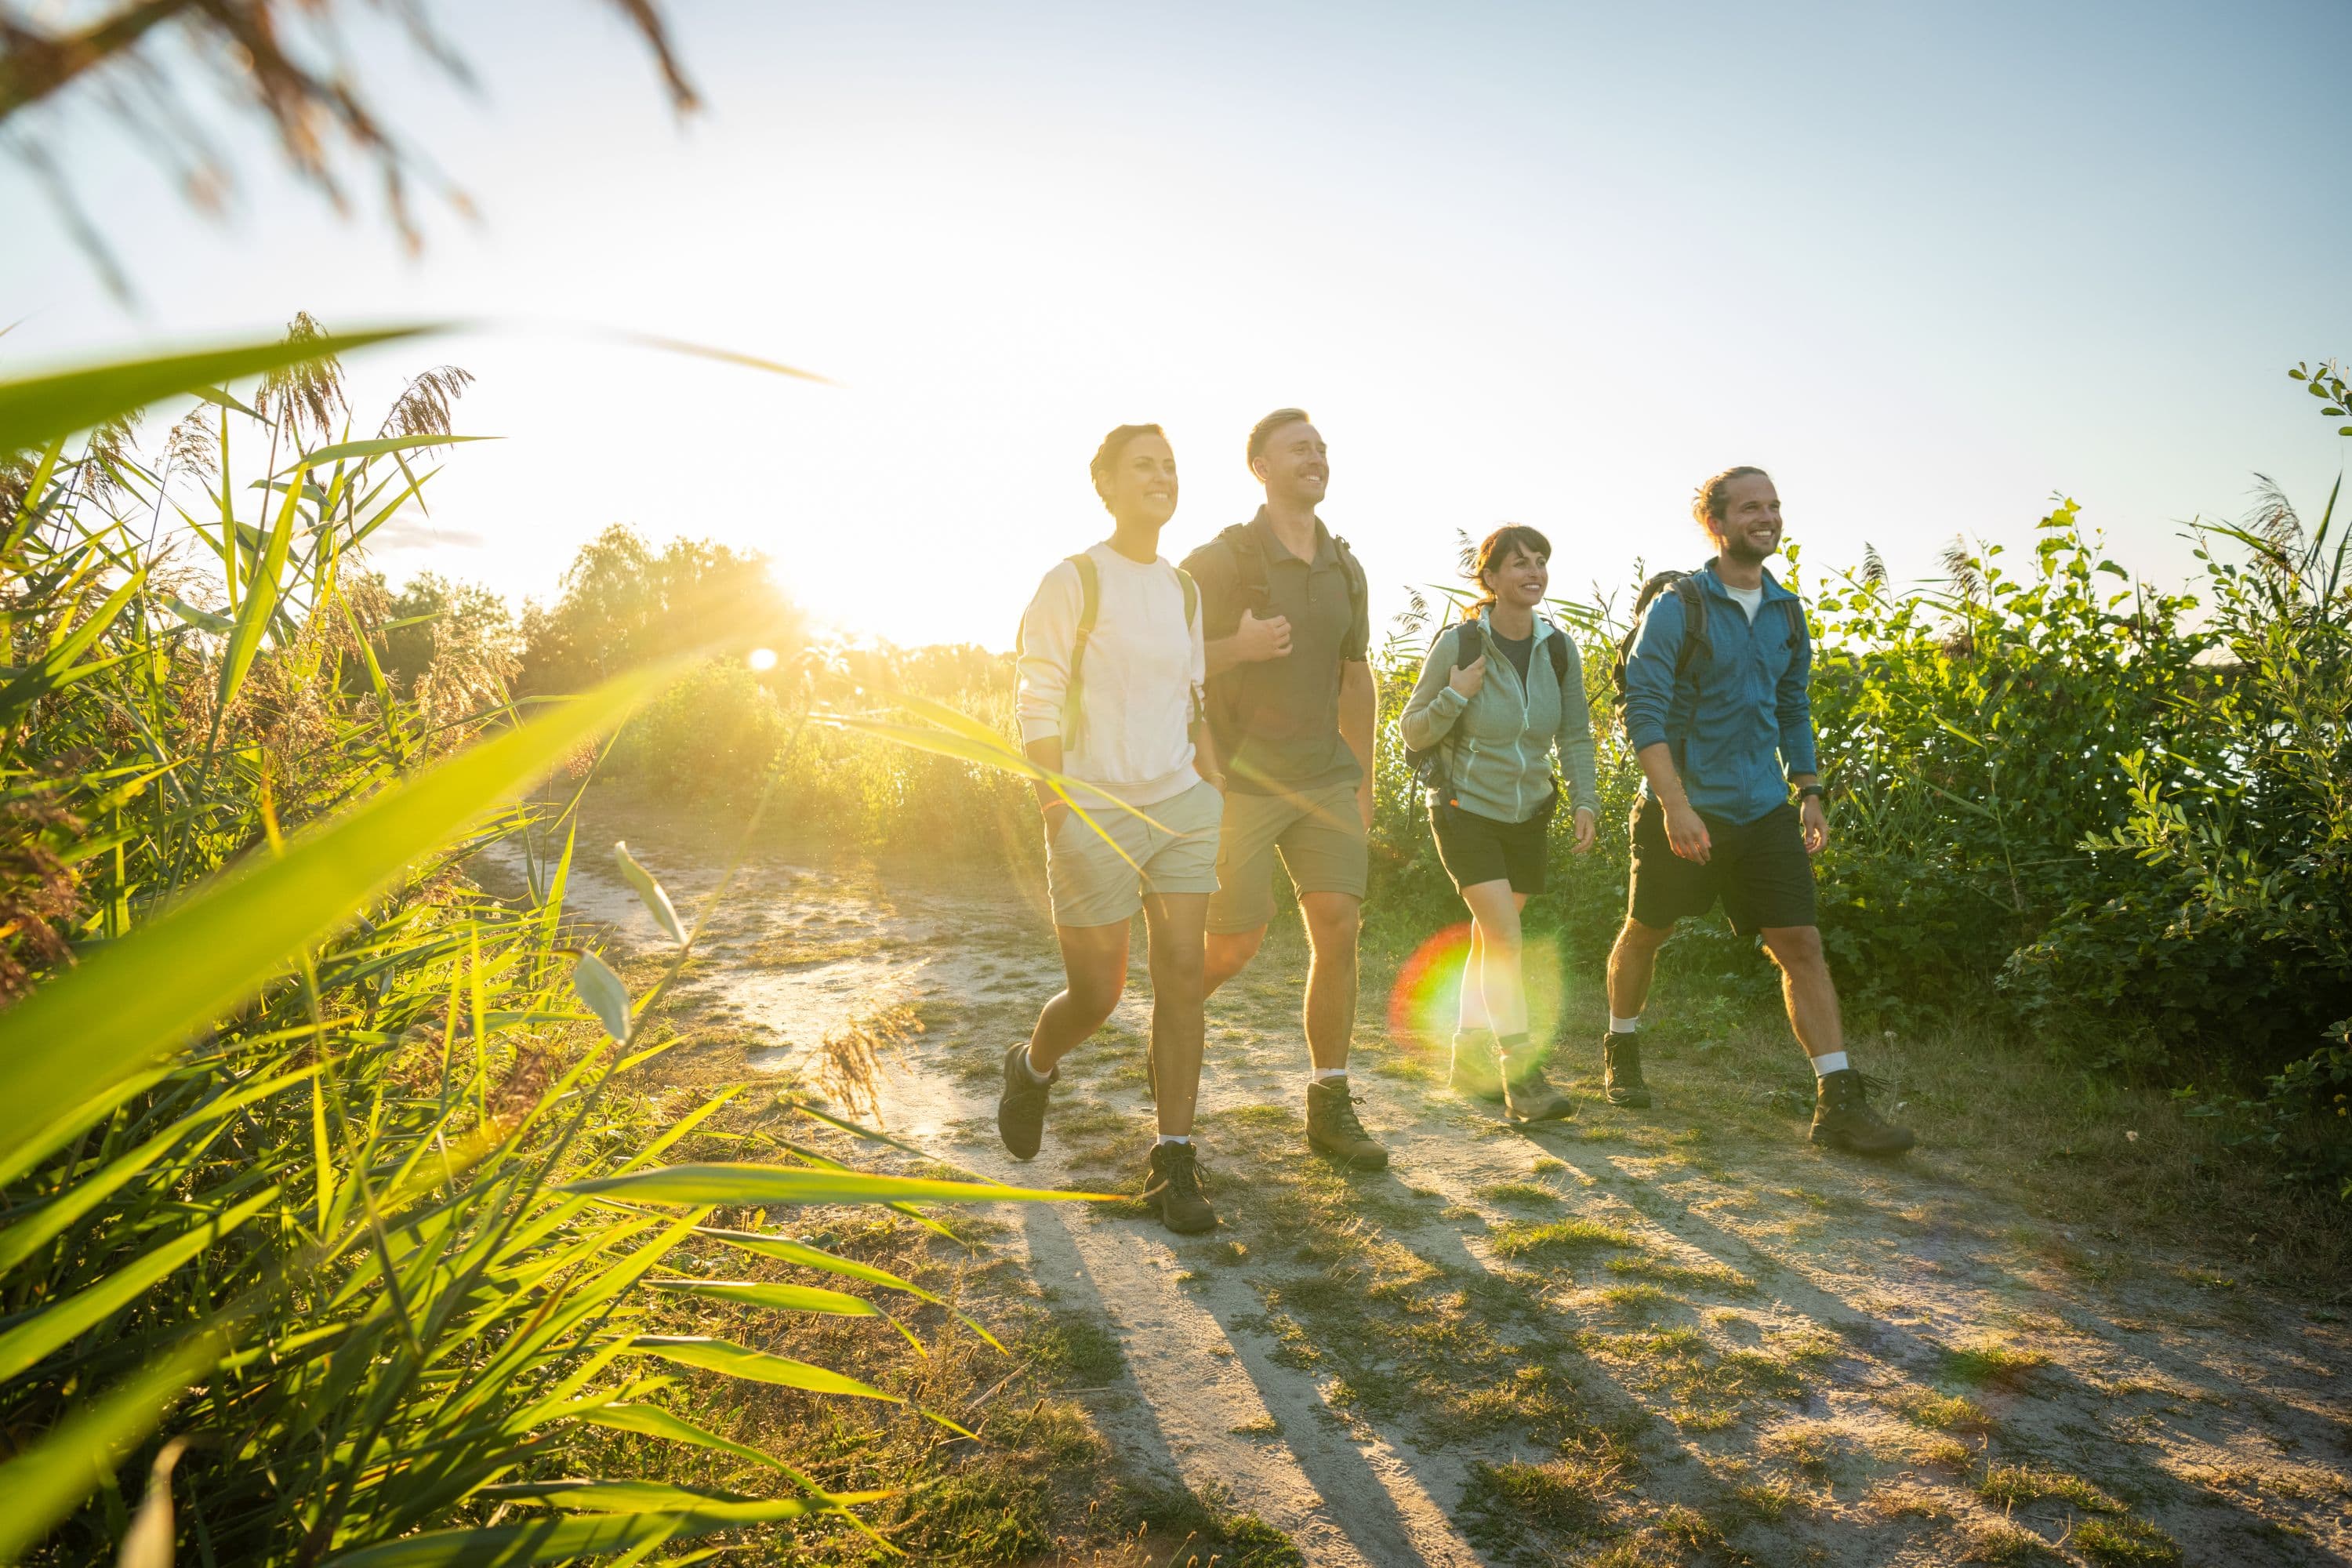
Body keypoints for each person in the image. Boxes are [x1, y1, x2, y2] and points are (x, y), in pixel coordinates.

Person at [1604, 466, 1915, 1154]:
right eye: (1750, 508)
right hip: (1686, 809)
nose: (1766, 517)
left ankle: (1838, 1102)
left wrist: (1809, 791)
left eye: (1773, 506)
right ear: (1714, 522)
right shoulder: (1679, 605)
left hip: (1763, 809)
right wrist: (1674, 806)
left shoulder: (1786, 611)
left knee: (1800, 945)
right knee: (1648, 932)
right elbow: (1642, 710)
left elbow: (1792, 705)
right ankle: (1621, 1046)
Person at [1000, 423, 1226, 1232]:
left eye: (1171, 465)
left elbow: (1193, 696)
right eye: (1144, 465)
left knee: (1182, 974)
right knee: (1099, 992)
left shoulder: (1185, 589)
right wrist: (1056, 803)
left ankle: (1173, 1157)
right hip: (1092, 807)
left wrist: (1212, 783)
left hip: (1180, 807)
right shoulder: (1074, 580)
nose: (1162, 476)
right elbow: (1036, 694)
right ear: (1105, 483)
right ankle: (1032, 1065)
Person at [1180, 409, 1386, 1170]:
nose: (1318, 457)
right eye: (1301, 447)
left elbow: (1355, 678)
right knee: (1234, 944)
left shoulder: (1346, 566)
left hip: (1324, 776)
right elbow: (1160, 658)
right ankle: (1172, 1026)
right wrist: (1239, 645)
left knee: (1338, 923)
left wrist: (1362, 780)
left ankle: (1330, 1099)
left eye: (1324, 448)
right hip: (1238, 778)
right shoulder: (1223, 559)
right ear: (1259, 466)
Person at [1399, 525, 1600, 1122]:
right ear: (1490, 577)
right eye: (1518, 563)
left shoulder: (1558, 650)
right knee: (1506, 937)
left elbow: (1575, 735)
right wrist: (1457, 696)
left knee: (1493, 938)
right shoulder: (1460, 645)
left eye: (1540, 562)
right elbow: (1412, 730)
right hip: (1464, 811)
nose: (1533, 572)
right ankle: (1521, 1073)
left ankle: (1466, 1058)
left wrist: (1586, 801)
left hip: (1528, 814)